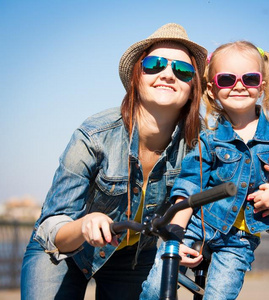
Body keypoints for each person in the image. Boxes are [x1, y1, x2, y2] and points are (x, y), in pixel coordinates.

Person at [20, 23, 208, 300]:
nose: (168, 74)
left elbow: (222, 189)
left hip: (134, 258)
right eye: (155, 64)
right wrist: (86, 223)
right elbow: (53, 228)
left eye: (182, 70)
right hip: (65, 254)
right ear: (137, 77)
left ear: (193, 88)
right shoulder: (95, 135)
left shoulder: (200, 145)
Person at [140, 41, 269, 300]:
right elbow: (189, 185)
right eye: (226, 79)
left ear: (262, 88)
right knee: (158, 286)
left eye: (249, 78)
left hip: (240, 240)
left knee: (220, 295)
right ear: (212, 90)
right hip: (197, 226)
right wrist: (175, 237)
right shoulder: (208, 139)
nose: (238, 85)